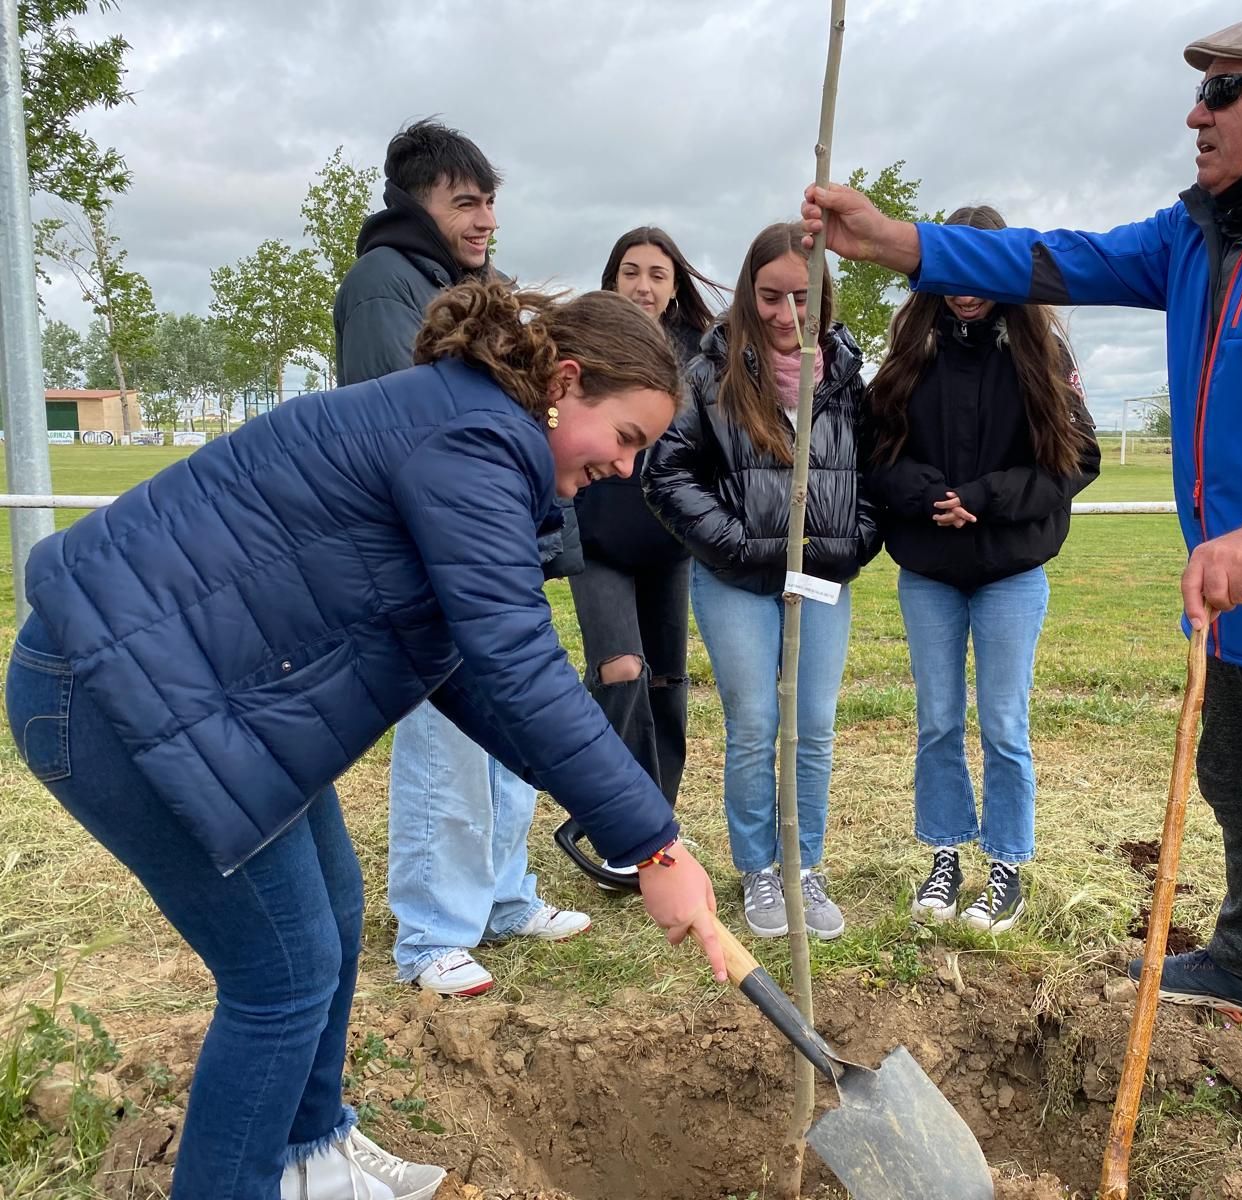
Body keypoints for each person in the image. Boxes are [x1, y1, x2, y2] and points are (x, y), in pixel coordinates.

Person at [803, 9, 1242, 1199]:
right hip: (1226, 601)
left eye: (1223, 90)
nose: (1194, 112)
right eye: (1197, 91)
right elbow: (1054, 257)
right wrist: (903, 243)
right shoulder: (1194, 235)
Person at [7, 279, 727, 1200]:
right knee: (281, 976)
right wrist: (651, 841)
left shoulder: (473, 429)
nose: (627, 469)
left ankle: (312, 1156)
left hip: (204, 692)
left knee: (335, 916)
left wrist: (623, 822)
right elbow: (512, 654)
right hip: (108, 690)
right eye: (625, 438)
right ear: (567, 382)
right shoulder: (476, 440)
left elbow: (468, 671)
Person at [334, 118, 587, 996]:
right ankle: (432, 933)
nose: (486, 221)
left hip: (498, 541)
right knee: (444, 739)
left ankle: (507, 896)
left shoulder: (483, 285)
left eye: (491, 204)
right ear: (417, 202)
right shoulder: (383, 284)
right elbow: (394, 420)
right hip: (431, 550)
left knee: (509, 726)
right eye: (466, 203)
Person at [865, 205, 1101, 935]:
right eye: (950, 270)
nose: (964, 288)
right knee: (937, 722)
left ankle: (1005, 867)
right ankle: (943, 855)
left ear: (1003, 272)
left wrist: (985, 499)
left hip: (1009, 571)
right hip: (930, 571)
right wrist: (928, 495)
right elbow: (875, 453)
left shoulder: (1044, 357)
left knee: (1003, 724)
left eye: (979, 270)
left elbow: (1077, 460)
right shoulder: (908, 353)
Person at [642, 222, 880, 941]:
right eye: (770, 295)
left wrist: (849, 544)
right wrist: (741, 547)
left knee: (812, 726)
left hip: (822, 582)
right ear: (749, 293)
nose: (785, 314)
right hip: (737, 580)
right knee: (754, 726)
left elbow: (877, 477)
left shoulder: (844, 379)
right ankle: (760, 870)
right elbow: (665, 474)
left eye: (802, 297)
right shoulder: (710, 375)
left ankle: (804, 864)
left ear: (824, 298)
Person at [555, 228, 725, 888]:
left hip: (668, 547)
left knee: (665, 686)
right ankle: (614, 822)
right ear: (612, 278)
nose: (643, 285)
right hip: (597, 543)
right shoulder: (585, 351)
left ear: (675, 285)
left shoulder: (698, 358)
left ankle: (657, 827)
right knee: (620, 670)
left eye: (658, 274)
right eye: (631, 271)